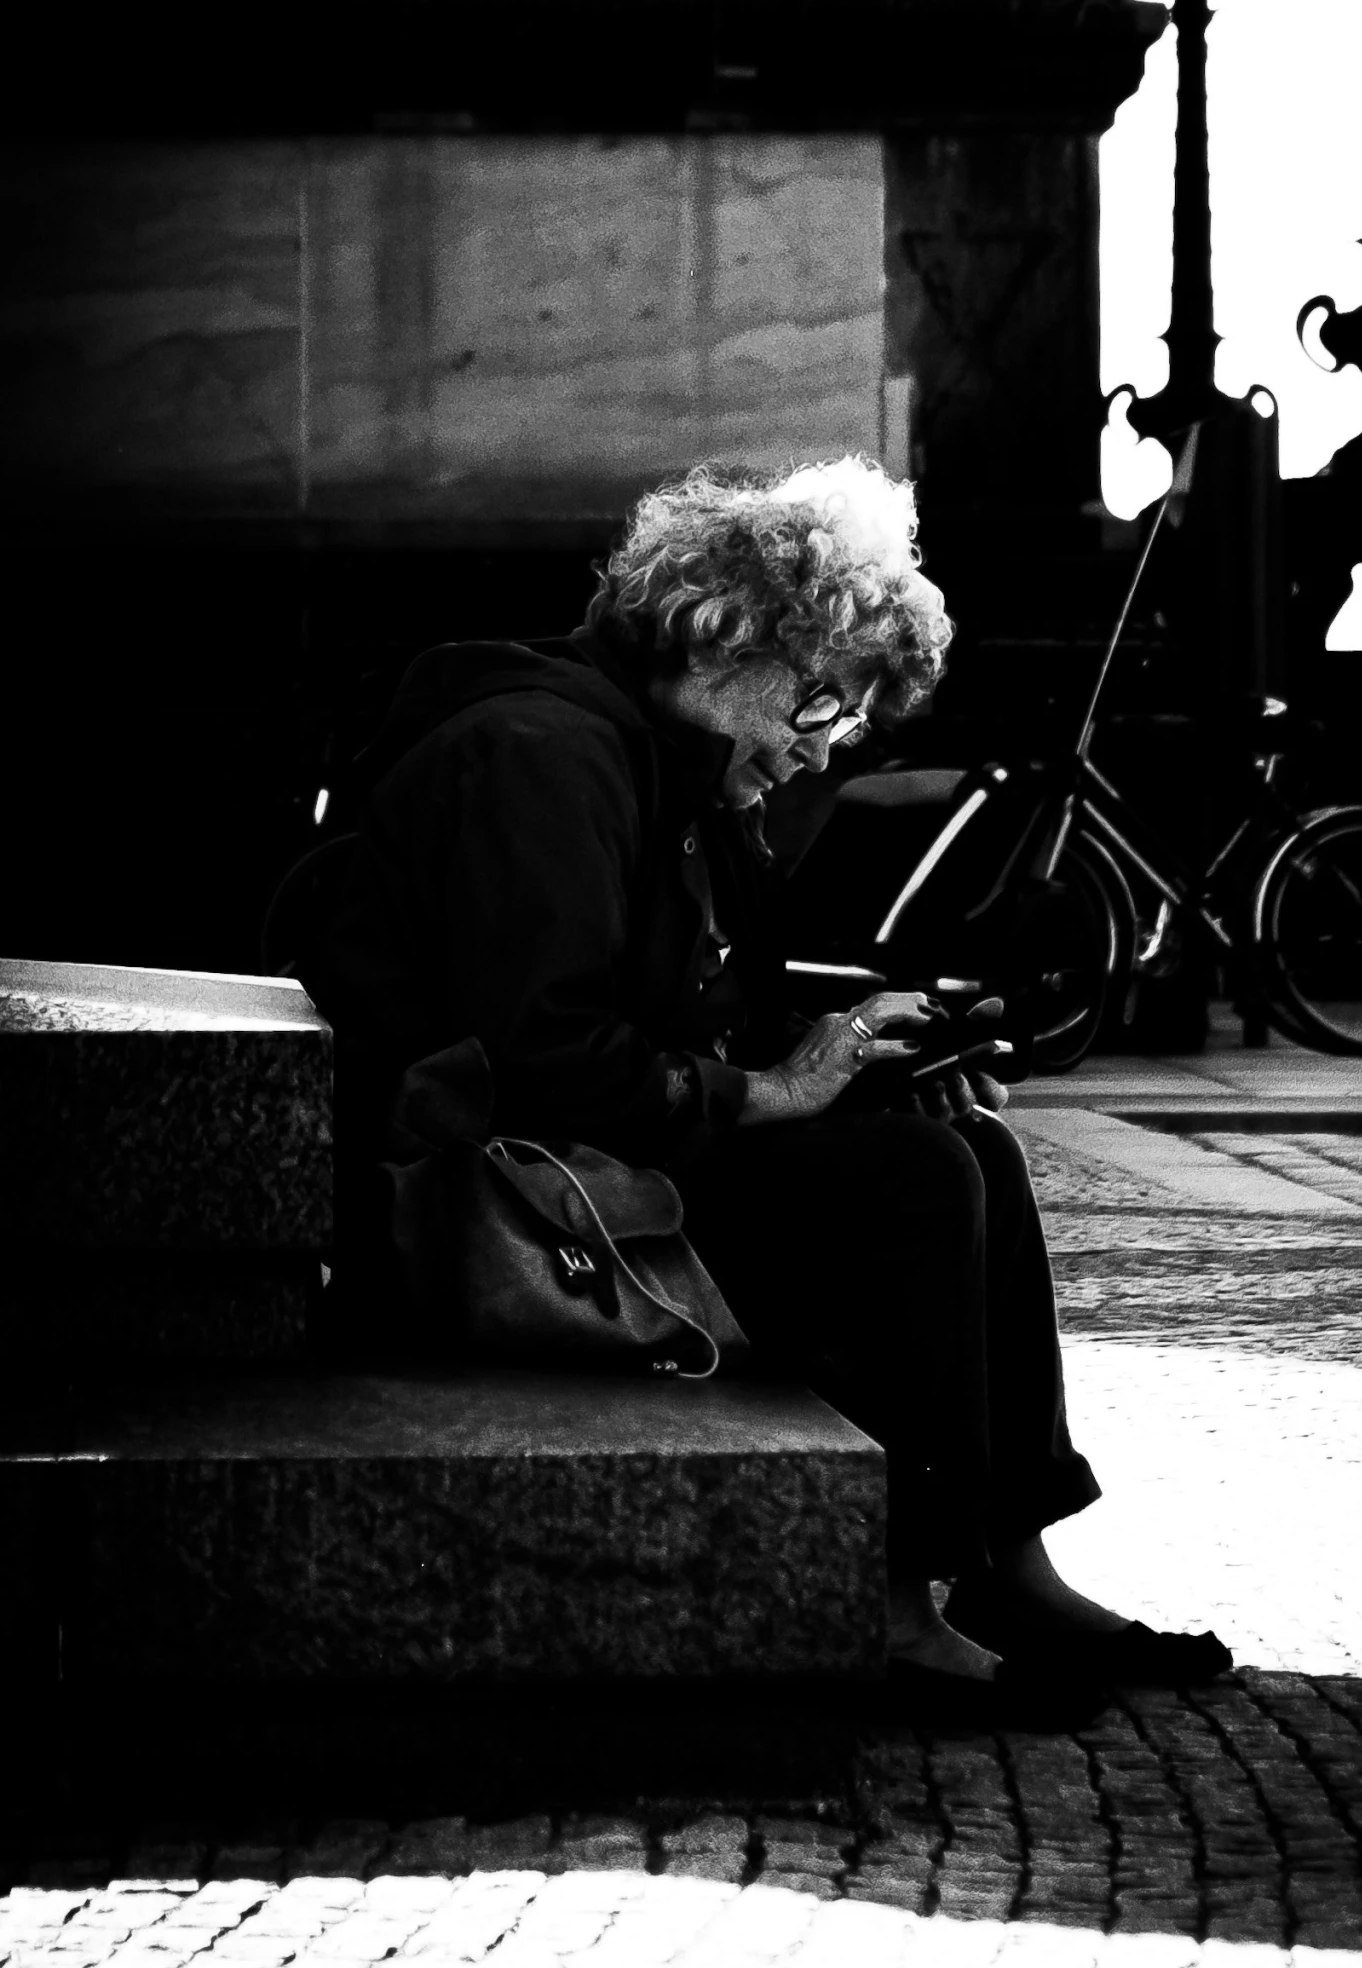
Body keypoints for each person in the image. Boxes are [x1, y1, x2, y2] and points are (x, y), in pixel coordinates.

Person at [309, 456, 1230, 1701]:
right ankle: (895, 1600)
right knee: (906, 1183)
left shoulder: (679, 776)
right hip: (490, 1202)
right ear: (723, 639)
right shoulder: (540, 751)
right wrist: (772, 1092)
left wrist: (854, 1058)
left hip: (591, 1161)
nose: (824, 749)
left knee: (972, 1151)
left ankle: (1007, 1562)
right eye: (821, 705)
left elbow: (708, 1016)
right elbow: (541, 1056)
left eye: (846, 723)